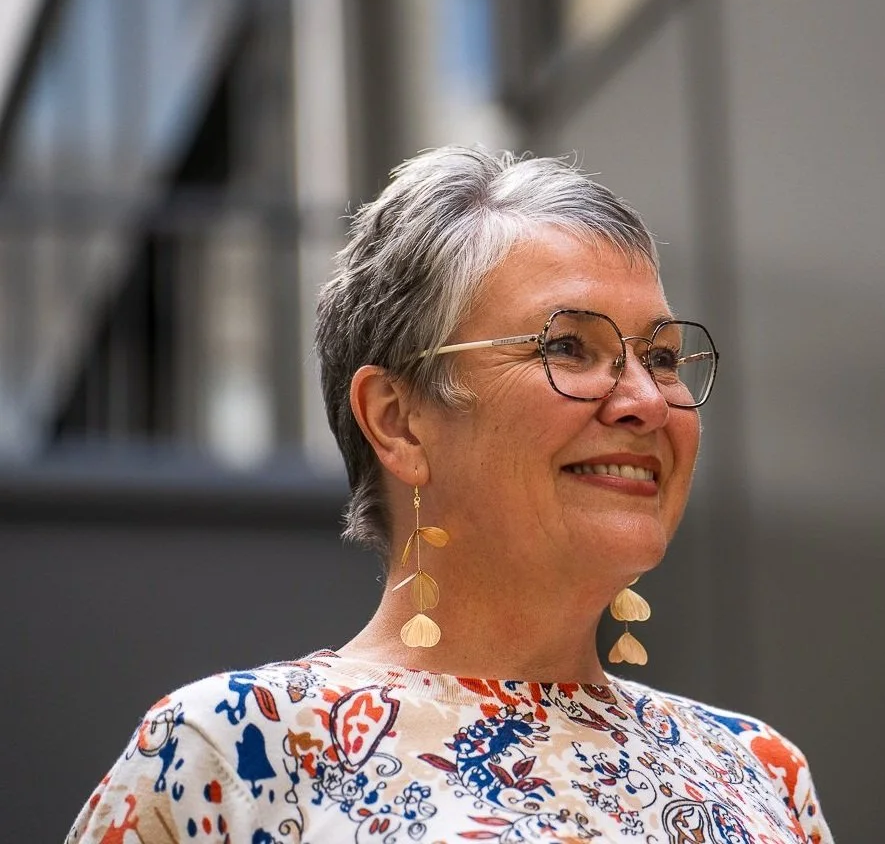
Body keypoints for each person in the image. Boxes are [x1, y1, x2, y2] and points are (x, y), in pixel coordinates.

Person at [69, 147, 833, 844]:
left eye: (662, 357)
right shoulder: (236, 753)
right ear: (399, 422)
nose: (644, 400)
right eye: (569, 346)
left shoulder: (760, 771)